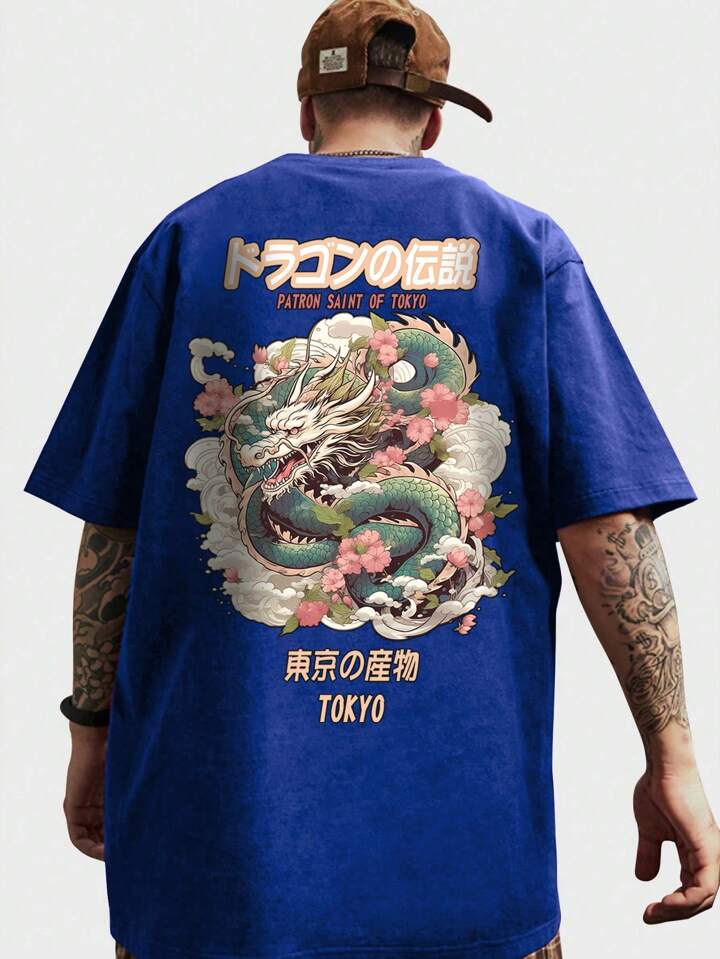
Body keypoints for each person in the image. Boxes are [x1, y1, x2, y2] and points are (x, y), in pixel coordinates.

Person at [25, 1, 719, 958]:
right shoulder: (524, 248)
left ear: (306, 108)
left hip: (216, 866)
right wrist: (672, 752)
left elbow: (114, 528)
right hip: (463, 864)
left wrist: (91, 729)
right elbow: (612, 530)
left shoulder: (189, 239)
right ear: (433, 119)